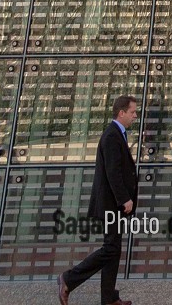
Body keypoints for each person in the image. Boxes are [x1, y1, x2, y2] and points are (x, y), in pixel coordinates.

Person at [57, 94, 139, 305]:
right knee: (110, 248)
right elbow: (113, 172)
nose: (134, 116)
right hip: (112, 204)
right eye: (132, 112)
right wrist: (125, 199)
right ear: (121, 113)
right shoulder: (112, 136)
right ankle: (69, 278)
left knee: (114, 249)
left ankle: (109, 298)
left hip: (114, 205)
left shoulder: (117, 134)